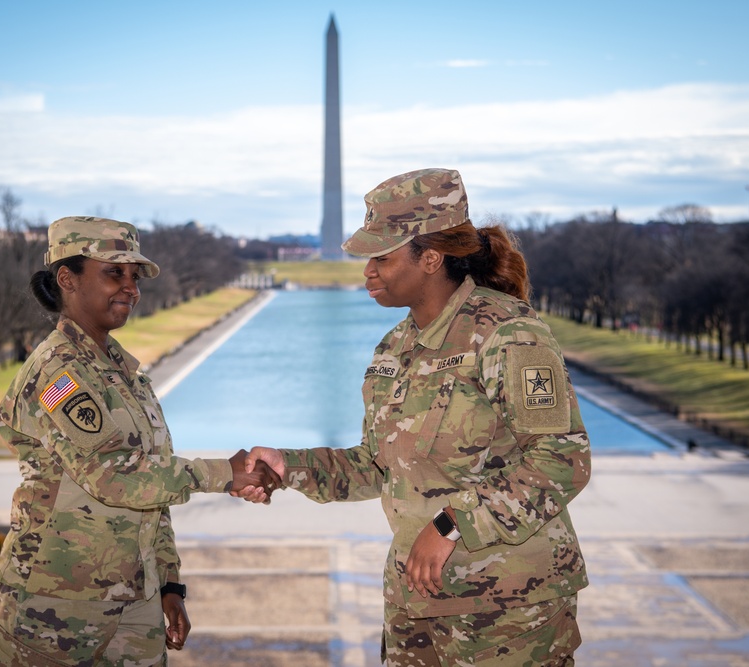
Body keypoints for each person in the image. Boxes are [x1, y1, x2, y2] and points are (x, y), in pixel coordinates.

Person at [244, 169, 591, 666]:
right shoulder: (396, 347)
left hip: (510, 609)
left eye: (381, 258)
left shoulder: (508, 333)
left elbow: (562, 460)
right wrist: (288, 465)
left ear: (430, 258)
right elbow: (378, 465)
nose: (368, 272)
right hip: (419, 598)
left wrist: (453, 524)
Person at [0, 215, 278, 666]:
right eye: (114, 272)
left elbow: (151, 487)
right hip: (56, 606)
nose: (131, 288)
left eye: (134, 276)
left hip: (134, 602)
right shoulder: (57, 373)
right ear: (67, 279)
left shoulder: (124, 373)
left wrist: (169, 585)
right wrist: (226, 473)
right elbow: (115, 477)